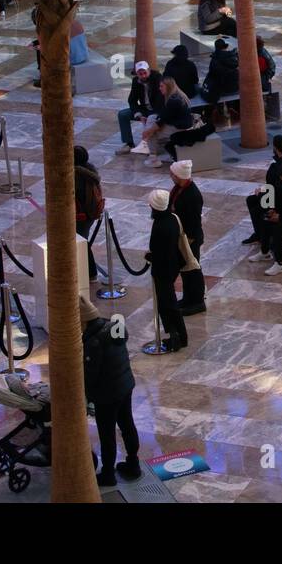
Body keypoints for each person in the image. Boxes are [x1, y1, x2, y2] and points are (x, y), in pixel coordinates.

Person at [80, 296, 141, 486]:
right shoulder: (113, 327)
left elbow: (91, 375)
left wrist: (87, 398)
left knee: (107, 434)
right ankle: (133, 463)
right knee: (127, 424)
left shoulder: (93, 342)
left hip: (107, 394)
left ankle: (108, 473)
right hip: (125, 385)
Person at [141, 189, 188, 352]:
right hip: (172, 266)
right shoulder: (172, 218)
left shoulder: (161, 225)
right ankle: (178, 336)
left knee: (168, 304)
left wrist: (150, 256)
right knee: (167, 303)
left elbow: (160, 251)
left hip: (163, 270)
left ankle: (178, 337)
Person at [242, 134, 282, 246]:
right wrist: (263, 190)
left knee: (256, 207)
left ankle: (262, 236)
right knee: (252, 200)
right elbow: (274, 185)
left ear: (275, 148)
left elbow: (277, 190)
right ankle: (260, 234)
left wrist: (261, 193)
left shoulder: (280, 167)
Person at [168, 160, 206, 314]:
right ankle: (188, 298)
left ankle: (197, 302)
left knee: (193, 270)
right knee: (186, 270)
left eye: (172, 174)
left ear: (179, 176)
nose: (171, 176)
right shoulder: (180, 189)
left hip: (190, 238)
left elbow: (194, 220)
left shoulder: (192, 195)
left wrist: (188, 239)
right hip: (182, 237)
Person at [136, 77, 194, 165]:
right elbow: (163, 115)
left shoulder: (173, 100)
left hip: (180, 128)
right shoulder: (176, 95)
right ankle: (152, 148)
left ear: (168, 86)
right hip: (178, 122)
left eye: (161, 86)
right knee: (151, 118)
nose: (159, 88)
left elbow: (161, 121)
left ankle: (153, 158)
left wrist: (147, 132)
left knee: (153, 132)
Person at [116, 61, 163, 154]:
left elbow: (161, 100)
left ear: (149, 70)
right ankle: (129, 143)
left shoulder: (157, 79)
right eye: (140, 74)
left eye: (145, 73)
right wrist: (139, 114)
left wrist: (152, 115)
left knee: (151, 119)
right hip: (144, 109)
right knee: (122, 115)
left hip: (156, 109)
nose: (143, 76)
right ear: (137, 74)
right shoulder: (136, 81)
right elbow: (132, 100)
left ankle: (149, 145)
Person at [74, 146, 104, 281]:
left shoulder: (76, 175)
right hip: (90, 213)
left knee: (82, 243)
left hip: (82, 215)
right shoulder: (90, 169)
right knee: (82, 241)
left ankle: (91, 273)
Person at [200, 37, 241, 124]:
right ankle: (232, 109)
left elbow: (213, 75)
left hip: (222, 89)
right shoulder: (233, 58)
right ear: (225, 47)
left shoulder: (214, 60)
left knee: (214, 89)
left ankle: (217, 111)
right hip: (233, 88)